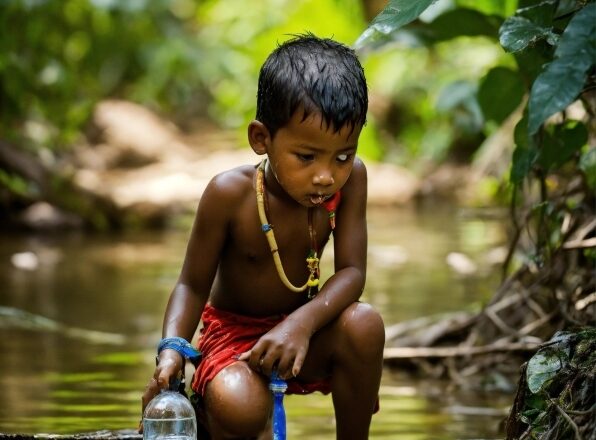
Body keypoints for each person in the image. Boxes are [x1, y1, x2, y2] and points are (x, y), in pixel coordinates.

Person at [141, 33, 385, 440]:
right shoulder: (229, 195)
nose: (326, 175)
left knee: (364, 325)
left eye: (343, 155)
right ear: (262, 139)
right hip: (234, 339)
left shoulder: (351, 182)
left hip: (305, 326)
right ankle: (211, 410)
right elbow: (191, 283)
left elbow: (353, 273)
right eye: (306, 157)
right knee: (240, 407)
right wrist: (172, 350)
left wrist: (301, 325)